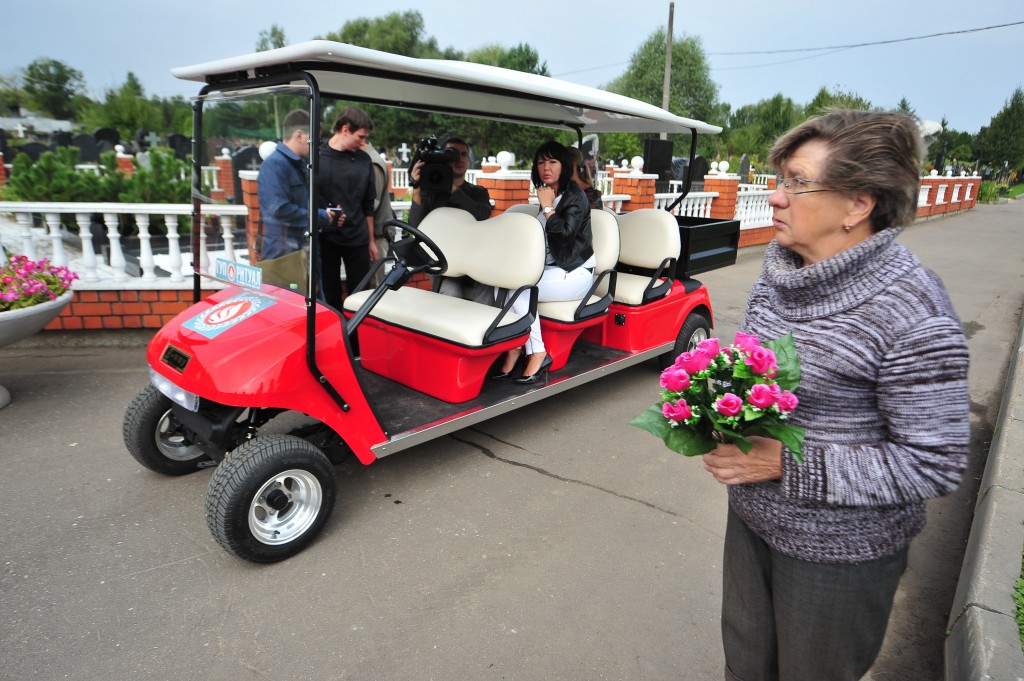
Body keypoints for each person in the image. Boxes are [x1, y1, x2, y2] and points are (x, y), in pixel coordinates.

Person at [700, 109, 969, 681]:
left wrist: (785, 466)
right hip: (752, 522)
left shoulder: (911, 308)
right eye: (781, 180)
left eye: (798, 182)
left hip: (839, 555)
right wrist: (718, 413)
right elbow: (757, 381)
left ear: (858, 204)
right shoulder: (778, 275)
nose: (775, 197)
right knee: (744, 667)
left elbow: (935, 463)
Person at [492, 141, 595, 384]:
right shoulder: (550, 193)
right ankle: (516, 346)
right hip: (551, 270)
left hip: (575, 271)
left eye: (552, 162)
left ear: (564, 166)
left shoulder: (575, 197)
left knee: (521, 290)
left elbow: (566, 234)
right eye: (541, 162)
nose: (545, 168)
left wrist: (548, 207)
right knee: (500, 284)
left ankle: (537, 351)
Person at [408, 136, 493, 305]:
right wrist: (417, 189)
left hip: (475, 260)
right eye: (453, 154)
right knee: (451, 292)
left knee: (490, 287)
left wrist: (454, 190)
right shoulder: (430, 193)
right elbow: (415, 227)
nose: (459, 159)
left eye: (463, 154)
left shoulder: (478, 193)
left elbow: (482, 214)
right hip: (443, 263)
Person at [317, 106, 378, 309]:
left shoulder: (364, 160)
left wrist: (371, 241)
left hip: (358, 239)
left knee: (360, 297)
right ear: (345, 129)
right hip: (326, 239)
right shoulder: (316, 157)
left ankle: (359, 339)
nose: (363, 143)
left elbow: (368, 205)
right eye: (360, 137)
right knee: (330, 295)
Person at [257, 109, 334, 262]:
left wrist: (329, 214)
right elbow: (279, 210)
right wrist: (321, 216)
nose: (316, 146)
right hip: (285, 255)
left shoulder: (298, 164)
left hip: (301, 250)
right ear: (299, 135)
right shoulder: (275, 165)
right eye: (314, 140)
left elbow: (303, 204)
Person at [365, 144, 395, 288]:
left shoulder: (373, 163)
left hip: (376, 236)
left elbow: (372, 205)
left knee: (373, 290)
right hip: (372, 234)